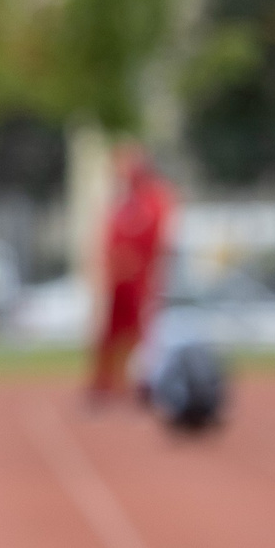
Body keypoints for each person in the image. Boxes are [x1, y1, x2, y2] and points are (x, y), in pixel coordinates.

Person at [90, 144, 175, 403]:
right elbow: (109, 240)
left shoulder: (155, 199)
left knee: (141, 333)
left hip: (141, 281)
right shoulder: (124, 203)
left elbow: (156, 239)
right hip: (119, 281)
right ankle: (107, 384)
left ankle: (140, 383)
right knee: (110, 334)